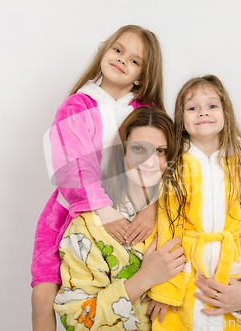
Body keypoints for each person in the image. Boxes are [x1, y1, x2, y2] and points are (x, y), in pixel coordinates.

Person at [31, 25, 165, 331]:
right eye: (118, 50)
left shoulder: (145, 111)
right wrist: (106, 212)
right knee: (42, 296)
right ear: (105, 51)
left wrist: (150, 208)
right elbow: (75, 166)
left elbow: (163, 162)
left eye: (134, 60)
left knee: (130, 290)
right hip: (70, 212)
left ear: (142, 76)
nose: (121, 60)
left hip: (134, 210)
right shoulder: (77, 106)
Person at [147, 75, 241, 330]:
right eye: (193, 108)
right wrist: (166, 289)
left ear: (225, 112)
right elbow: (168, 226)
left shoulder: (239, 158)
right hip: (185, 271)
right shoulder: (175, 162)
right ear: (182, 118)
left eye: (212, 106)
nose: (203, 112)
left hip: (228, 267)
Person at [54, 107, 185, 330]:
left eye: (161, 151)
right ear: (121, 152)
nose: (151, 162)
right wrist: (144, 279)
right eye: (138, 149)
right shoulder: (87, 227)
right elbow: (76, 320)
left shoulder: (187, 213)